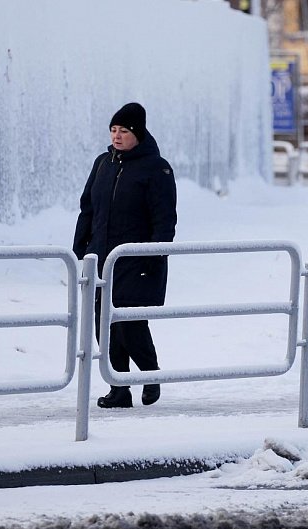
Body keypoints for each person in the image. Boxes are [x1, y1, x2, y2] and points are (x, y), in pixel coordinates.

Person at [73, 102, 178, 408]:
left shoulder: (157, 168)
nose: (117, 136)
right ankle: (118, 388)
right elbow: (88, 208)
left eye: (125, 131)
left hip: (136, 260)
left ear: (139, 133)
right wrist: (81, 249)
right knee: (102, 325)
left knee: (129, 325)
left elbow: (164, 220)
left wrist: (153, 259)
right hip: (102, 258)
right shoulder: (103, 163)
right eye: (114, 130)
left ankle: (149, 374)